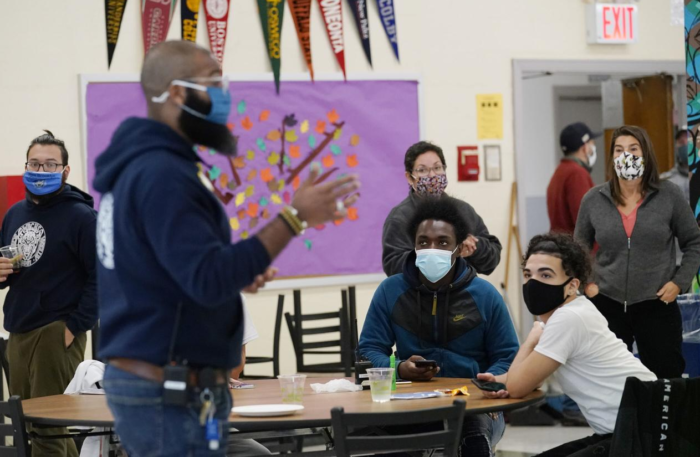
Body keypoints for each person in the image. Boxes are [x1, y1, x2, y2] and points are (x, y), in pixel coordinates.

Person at [94, 40, 360, 456]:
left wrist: (237, 269)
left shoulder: (145, 166)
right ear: (177, 92)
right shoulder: (162, 173)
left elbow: (178, 271)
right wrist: (295, 217)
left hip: (164, 381)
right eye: (214, 83)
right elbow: (206, 277)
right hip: (169, 389)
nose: (225, 95)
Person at [360, 196, 519, 456]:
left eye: (443, 242)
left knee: (474, 440)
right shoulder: (390, 291)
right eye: (424, 242)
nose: (432, 248)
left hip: (474, 406)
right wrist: (399, 369)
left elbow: (508, 357)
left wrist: (489, 386)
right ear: (413, 245)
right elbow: (367, 352)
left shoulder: (486, 295)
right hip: (409, 405)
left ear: (459, 248)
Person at [477, 232, 657, 457]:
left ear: (572, 285)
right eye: (528, 274)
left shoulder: (568, 318)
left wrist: (531, 341)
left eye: (545, 275)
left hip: (642, 433)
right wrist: (497, 381)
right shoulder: (573, 312)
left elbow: (517, 387)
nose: (533, 283)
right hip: (631, 426)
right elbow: (534, 377)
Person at [0, 130, 98, 457]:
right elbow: (13, 268)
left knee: (49, 428)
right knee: (26, 425)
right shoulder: (15, 214)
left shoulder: (82, 217)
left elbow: (103, 277)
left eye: (50, 165)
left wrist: (74, 327)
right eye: (34, 164)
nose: (40, 172)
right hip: (18, 328)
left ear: (65, 171)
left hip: (56, 331)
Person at [575, 125, 700, 379]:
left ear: (646, 154)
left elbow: (694, 242)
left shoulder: (669, 195)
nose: (626, 155)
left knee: (664, 382)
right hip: (607, 303)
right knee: (610, 382)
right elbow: (577, 251)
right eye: (619, 150)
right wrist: (586, 285)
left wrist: (679, 282)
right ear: (612, 157)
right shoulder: (593, 199)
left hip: (657, 304)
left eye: (633, 149)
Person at [382, 141, 502, 277]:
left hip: (462, 295)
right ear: (410, 178)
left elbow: (492, 259)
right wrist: (435, 253)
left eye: (437, 168)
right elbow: (393, 266)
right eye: (422, 170)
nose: (432, 175)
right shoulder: (400, 217)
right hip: (418, 297)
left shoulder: (463, 210)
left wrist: (474, 248)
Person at [547, 122, 598, 234]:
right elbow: (585, 223)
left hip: (562, 246)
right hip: (576, 248)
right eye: (592, 144)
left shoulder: (560, 171)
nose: (593, 149)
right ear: (585, 148)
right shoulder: (577, 174)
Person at [660, 129, 690, 202]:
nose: (686, 145)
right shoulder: (665, 181)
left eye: (689, 141)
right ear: (676, 147)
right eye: (681, 142)